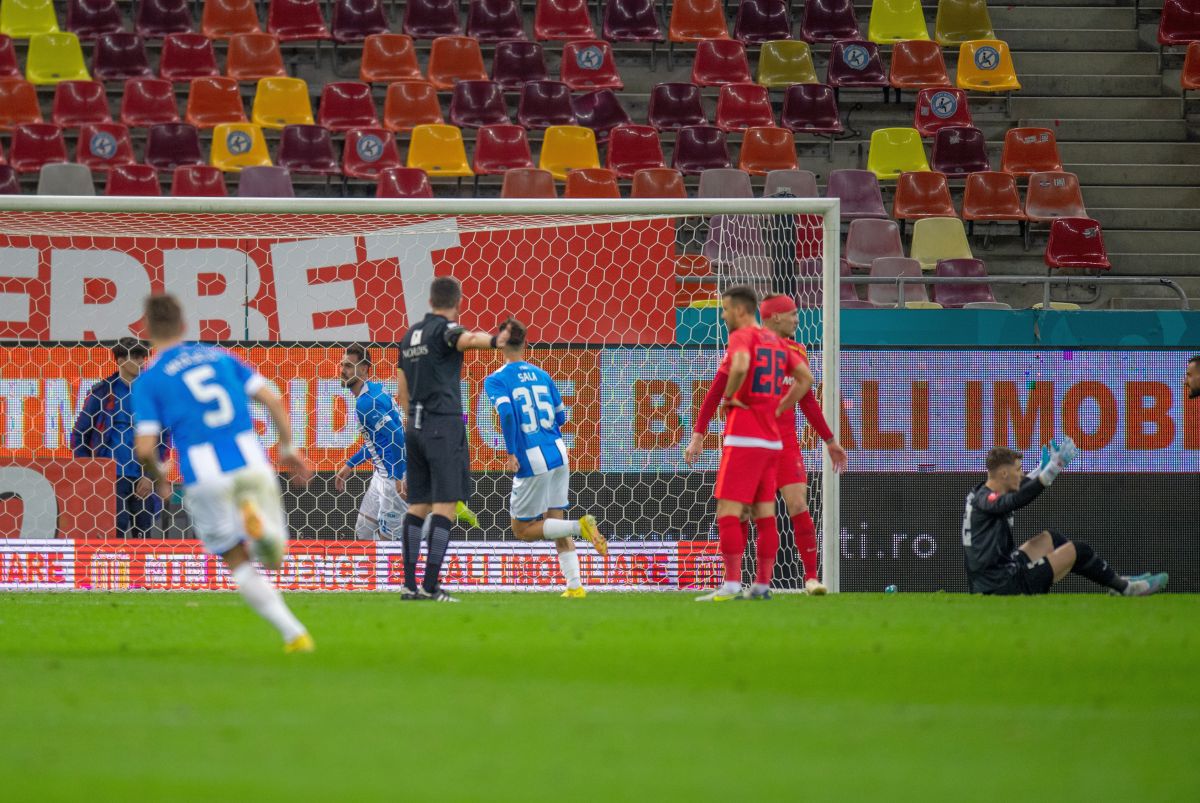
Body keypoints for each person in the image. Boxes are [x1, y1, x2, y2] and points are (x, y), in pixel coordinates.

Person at [131, 294, 317, 652]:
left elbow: (143, 449)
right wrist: (288, 446)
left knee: (236, 559)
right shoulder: (219, 356)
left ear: (147, 328)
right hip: (252, 460)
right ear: (184, 325)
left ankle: (295, 634)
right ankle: (260, 531)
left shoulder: (150, 378)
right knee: (274, 558)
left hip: (204, 474)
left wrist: (160, 475)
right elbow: (273, 398)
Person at [687, 293, 848, 595]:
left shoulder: (783, 347)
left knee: (788, 504)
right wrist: (698, 433)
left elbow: (807, 398)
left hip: (772, 440)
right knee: (751, 512)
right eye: (793, 314)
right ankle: (749, 582)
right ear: (775, 316)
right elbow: (715, 392)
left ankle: (807, 578)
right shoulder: (760, 345)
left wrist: (829, 439)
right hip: (761, 440)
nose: (798, 320)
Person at [397, 276, 511, 602]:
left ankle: (408, 585)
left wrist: (413, 424)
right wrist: (495, 341)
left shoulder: (408, 337)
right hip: (442, 426)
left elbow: (402, 391)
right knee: (445, 507)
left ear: (430, 300)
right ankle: (431, 586)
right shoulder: (445, 330)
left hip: (414, 428)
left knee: (418, 506)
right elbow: (466, 338)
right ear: (457, 301)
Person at [483, 319, 608, 598]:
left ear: (500, 344)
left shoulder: (496, 379)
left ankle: (580, 527)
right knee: (554, 523)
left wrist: (511, 451)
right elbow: (562, 417)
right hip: (558, 452)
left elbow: (505, 413)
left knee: (523, 529)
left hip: (531, 458)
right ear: (526, 343)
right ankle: (575, 586)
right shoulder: (543, 375)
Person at [962, 443, 1167, 596]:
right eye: (1018, 470)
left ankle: (1115, 581)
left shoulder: (982, 491)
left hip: (995, 575)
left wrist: (1038, 472)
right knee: (1078, 550)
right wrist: (1051, 470)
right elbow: (1014, 501)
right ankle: (1127, 589)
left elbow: (1013, 493)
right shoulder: (988, 499)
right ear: (1004, 473)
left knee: (1050, 538)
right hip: (1000, 585)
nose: (1022, 474)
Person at [71, 337, 165, 537]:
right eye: (136, 357)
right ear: (121, 360)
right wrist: (90, 471)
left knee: (143, 532)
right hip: (109, 477)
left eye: (143, 357)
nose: (142, 362)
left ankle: (141, 569)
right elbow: (79, 434)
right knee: (115, 531)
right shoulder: (102, 393)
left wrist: (150, 477)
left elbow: (164, 439)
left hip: (142, 476)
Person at [333, 345, 408, 542]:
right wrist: (350, 465)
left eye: (349, 366)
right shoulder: (374, 390)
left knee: (388, 546)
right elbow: (379, 440)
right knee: (364, 530)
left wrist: (399, 477)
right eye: (342, 365)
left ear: (364, 369)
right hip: (381, 474)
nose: (342, 370)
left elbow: (397, 436)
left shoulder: (367, 403)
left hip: (394, 477)